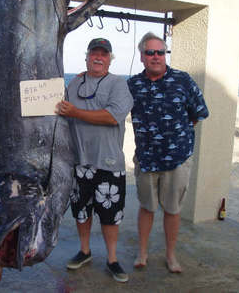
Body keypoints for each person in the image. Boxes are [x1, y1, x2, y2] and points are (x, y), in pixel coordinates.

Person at [127, 32, 209, 273]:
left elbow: (199, 112)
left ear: (165, 55)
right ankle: (142, 253)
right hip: (146, 159)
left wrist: (176, 134)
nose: (155, 57)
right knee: (147, 208)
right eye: (150, 52)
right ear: (141, 57)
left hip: (177, 159)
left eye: (160, 52)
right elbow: (108, 101)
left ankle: (170, 256)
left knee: (172, 210)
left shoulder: (183, 80)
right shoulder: (132, 84)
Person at [56, 38, 133, 282]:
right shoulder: (76, 82)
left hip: (109, 163)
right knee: (81, 212)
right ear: (86, 57)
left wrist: (76, 112)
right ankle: (85, 251)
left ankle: (112, 259)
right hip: (79, 163)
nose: (98, 57)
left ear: (110, 59)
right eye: (94, 53)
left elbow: (112, 116)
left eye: (103, 54)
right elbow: (60, 111)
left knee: (110, 216)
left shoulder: (118, 84)